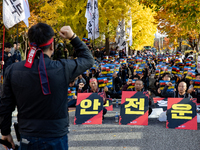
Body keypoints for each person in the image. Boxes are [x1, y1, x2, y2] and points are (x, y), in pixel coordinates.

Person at [0, 23, 94, 150]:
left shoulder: (13, 70)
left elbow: (5, 104)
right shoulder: (62, 67)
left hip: (28, 134)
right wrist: (73, 37)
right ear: (52, 46)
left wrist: (5, 132)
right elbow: (88, 59)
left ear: (29, 45)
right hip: (56, 134)